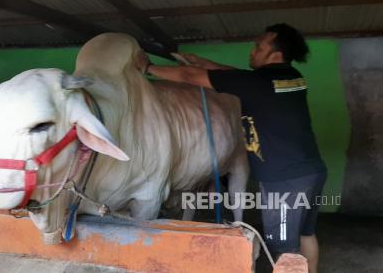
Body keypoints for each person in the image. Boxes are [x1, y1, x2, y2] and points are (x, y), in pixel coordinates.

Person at [135, 23, 326, 273]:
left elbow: (189, 77)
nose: (252, 51)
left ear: (275, 55)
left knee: (284, 251)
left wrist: (148, 68)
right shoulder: (291, 78)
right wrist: (202, 61)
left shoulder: (256, 83)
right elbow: (238, 76)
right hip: (313, 172)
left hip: (285, 183)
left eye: (259, 47)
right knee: (306, 234)